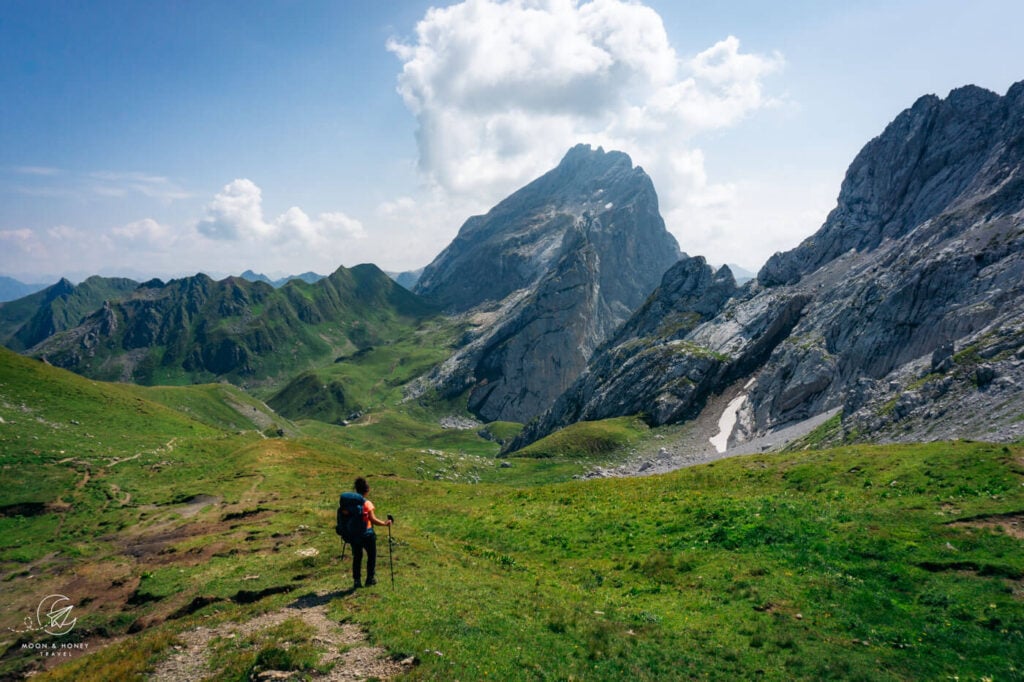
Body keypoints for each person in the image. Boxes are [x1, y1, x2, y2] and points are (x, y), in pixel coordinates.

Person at [351, 477, 391, 588]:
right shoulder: (367, 503)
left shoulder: (350, 503)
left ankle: (357, 581)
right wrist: (384, 523)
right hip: (367, 533)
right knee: (371, 556)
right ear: (367, 490)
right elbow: (373, 520)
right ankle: (370, 579)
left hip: (354, 534)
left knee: (357, 557)